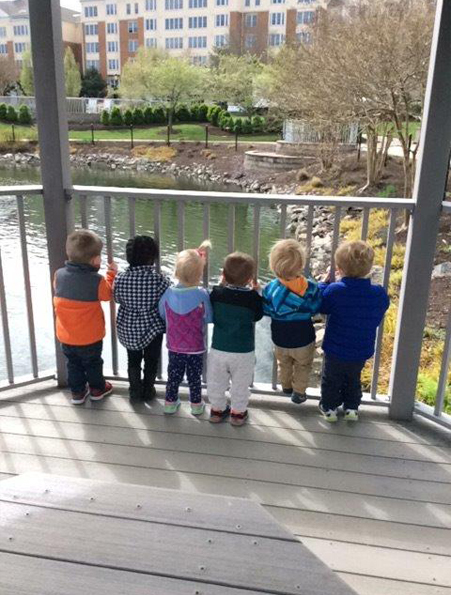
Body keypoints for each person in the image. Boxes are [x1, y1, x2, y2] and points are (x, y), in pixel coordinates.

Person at [319, 240, 390, 422]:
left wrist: (324, 283)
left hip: (335, 349)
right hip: (360, 349)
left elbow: (323, 305)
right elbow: (382, 307)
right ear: (369, 268)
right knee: (353, 378)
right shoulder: (378, 293)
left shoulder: (335, 290)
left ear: (340, 269)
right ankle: (352, 408)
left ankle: (329, 408)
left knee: (331, 379)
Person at [53, 229, 117, 405]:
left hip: (66, 336)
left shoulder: (58, 275)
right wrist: (111, 275)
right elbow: (107, 295)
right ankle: (97, 389)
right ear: (95, 260)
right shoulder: (96, 281)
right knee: (93, 363)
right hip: (90, 337)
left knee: (73, 364)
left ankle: (77, 393)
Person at [263, 239, 322, 405]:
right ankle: (299, 392)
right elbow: (315, 307)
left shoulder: (270, 288)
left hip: (280, 338)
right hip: (303, 338)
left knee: (284, 363)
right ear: (301, 264)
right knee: (303, 366)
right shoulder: (310, 287)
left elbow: (266, 310)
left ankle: (286, 386)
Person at [207, 252, 263, 426]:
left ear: (223, 275)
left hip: (219, 348)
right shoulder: (252, 298)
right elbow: (257, 316)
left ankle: (217, 410)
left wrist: (221, 284)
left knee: (216, 382)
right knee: (241, 384)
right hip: (243, 351)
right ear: (250, 279)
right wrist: (258, 292)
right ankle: (238, 413)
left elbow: (212, 304)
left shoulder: (217, 293)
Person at [114, 235, 170, 404]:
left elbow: (117, 298)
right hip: (152, 329)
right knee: (152, 360)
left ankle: (134, 390)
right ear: (153, 257)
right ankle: (148, 389)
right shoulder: (158, 280)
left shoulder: (120, 279)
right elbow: (168, 295)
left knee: (133, 359)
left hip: (128, 329)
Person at [159, 241, 212, 416]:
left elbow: (162, 313)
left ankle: (169, 403)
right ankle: (196, 405)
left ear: (176, 272)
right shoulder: (202, 294)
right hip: (196, 347)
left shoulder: (168, 293)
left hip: (174, 346)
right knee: (194, 377)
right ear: (199, 274)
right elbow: (209, 317)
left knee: (173, 376)